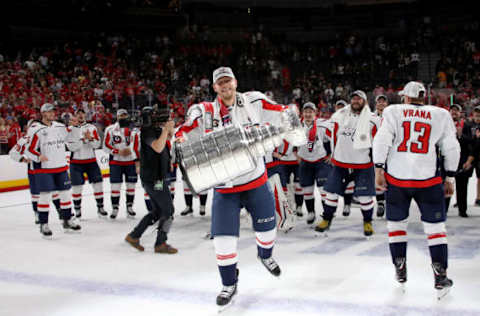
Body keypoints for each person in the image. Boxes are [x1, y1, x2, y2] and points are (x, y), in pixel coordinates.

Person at [175, 67, 285, 308]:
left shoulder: (254, 100)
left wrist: (291, 121)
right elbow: (185, 130)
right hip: (225, 187)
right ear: (214, 87)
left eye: (228, 81)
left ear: (235, 82)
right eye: (220, 83)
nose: (225, 86)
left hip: (256, 181)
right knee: (222, 241)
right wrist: (178, 140)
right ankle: (229, 284)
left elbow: (281, 113)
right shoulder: (203, 111)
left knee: (268, 233)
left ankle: (265, 256)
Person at [372, 81, 460, 298]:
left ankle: (399, 267)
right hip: (428, 180)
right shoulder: (440, 113)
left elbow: (382, 139)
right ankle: (440, 274)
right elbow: (451, 146)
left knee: (396, 226)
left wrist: (378, 168)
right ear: (423, 96)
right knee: (436, 229)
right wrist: (450, 176)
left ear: (406, 97)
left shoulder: (393, 111)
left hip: (398, 179)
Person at [316, 91, 381, 236]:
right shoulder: (339, 115)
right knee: (331, 193)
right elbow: (329, 134)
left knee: (365, 197)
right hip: (341, 162)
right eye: (353, 98)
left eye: (359, 98)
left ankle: (367, 222)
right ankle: (326, 219)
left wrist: (378, 163)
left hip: (362, 163)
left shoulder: (373, 119)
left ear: (364, 101)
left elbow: (379, 141)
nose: (355, 101)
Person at [125, 106, 177, 254]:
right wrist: (166, 130)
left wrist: (168, 129)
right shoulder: (146, 132)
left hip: (158, 178)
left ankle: (134, 236)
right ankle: (160, 243)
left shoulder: (156, 130)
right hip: (153, 179)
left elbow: (168, 138)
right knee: (168, 211)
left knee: (157, 211)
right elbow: (158, 147)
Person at [24, 103, 82, 238]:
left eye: (53, 112)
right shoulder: (35, 129)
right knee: (45, 196)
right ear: (43, 113)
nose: (52, 114)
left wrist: (76, 127)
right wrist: (38, 156)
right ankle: (44, 224)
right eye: (49, 112)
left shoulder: (60, 126)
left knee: (66, 195)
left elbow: (72, 140)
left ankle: (67, 220)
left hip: (60, 166)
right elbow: (29, 149)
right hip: (44, 169)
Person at [296, 102, 331, 225]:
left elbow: (336, 137)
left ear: (315, 113)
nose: (308, 114)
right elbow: (290, 141)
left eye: (311, 112)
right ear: (302, 113)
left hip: (320, 161)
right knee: (307, 189)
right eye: (306, 111)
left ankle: (326, 214)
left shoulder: (323, 124)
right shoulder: (297, 126)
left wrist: (332, 155)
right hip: (305, 162)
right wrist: (296, 154)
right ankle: (311, 212)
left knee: (323, 189)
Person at [69, 109, 107, 218]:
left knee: (98, 185)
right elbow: (71, 147)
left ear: (85, 115)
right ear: (74, 116)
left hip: (91, 161)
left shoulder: (92, 128)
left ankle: (100, 207)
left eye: (82, 113)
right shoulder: (70, 130)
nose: (80, 115)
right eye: (78, 114)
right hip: (76, 163)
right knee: (77, 188)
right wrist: (83, 139)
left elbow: (97, 145)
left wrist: (90, 139)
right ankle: (77, 210)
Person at [103, 109, 139, 219]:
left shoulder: (134, 129)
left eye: (124, 115)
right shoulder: (110, 129)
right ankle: (115, 208)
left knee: (131, 185)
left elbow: (137, 145)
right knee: (115, 186)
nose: (123, 117)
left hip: (130, 162)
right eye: (120, 115)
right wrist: (117, 151)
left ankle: (129, 207)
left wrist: (136, 158)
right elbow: (105, 146)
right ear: (117, 117)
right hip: (116, 162)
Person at [454, 105, 480, 217]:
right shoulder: (468, 125)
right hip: (468, 156)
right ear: (473, 114)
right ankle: (461, 207)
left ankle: (478, 198)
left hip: (478, 157)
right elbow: (463, 140)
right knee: (462, 183)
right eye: (476, 114)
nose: (478, 116)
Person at [373, 94, 389, 217]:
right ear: (376, 103)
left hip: (390, 152)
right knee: (378, 177)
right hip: (376, 151)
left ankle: (390, 203)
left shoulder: (392, 116)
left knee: (391, 178)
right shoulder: (370, 117)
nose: (381, 104)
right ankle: (380, 203)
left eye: (384, 102)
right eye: (379, 101)